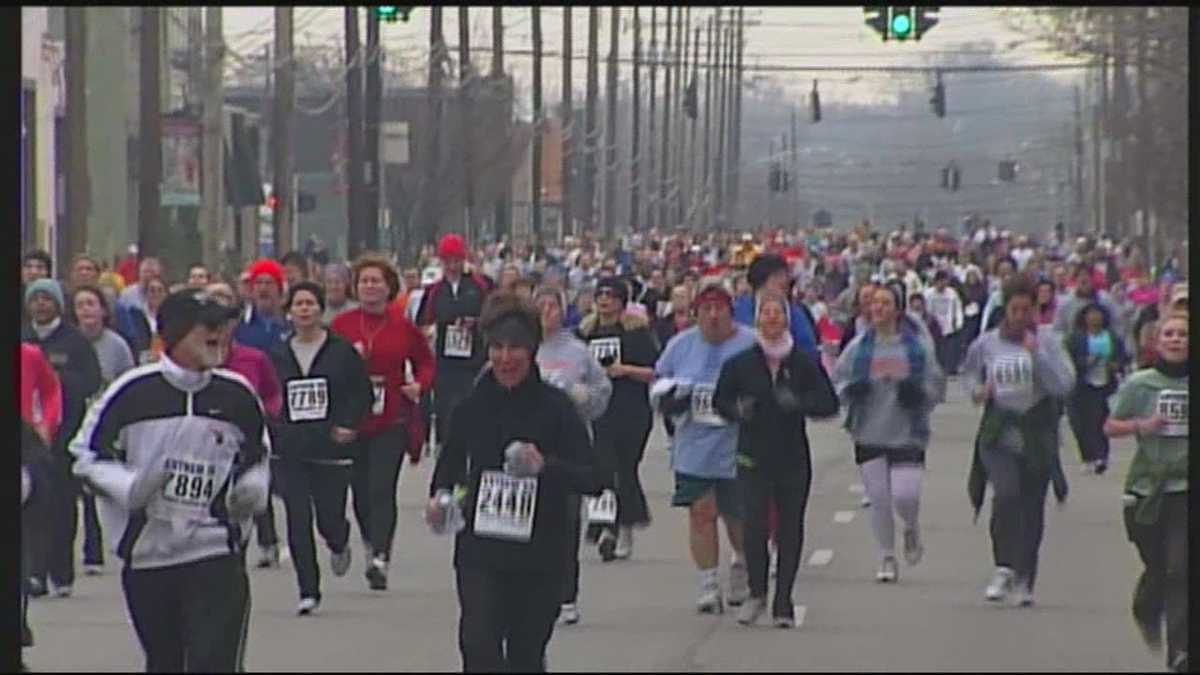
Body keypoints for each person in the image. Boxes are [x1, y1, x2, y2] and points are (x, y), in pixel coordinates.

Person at [69, 288, 271, 672]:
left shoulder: (237, 394)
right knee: (165, 662)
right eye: (208, 326)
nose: (220, 334)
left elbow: (258, 455)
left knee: (214, 662)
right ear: (176, 332)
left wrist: (254, 487)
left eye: (224, 325)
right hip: (149, 555)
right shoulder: (131, 392)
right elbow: (83, 457)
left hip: (215, 552)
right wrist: (131, 488)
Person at [425, 291, 599, 673]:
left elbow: (593, 477)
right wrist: (440, 500)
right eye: (497, 348)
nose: (505, 358)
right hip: (481, 549)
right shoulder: (472, 406)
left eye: (515, 349)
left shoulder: (556, 407)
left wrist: (544, 466)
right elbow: (450, 464)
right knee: (478, 644)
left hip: (541, 552)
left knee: (524, 655)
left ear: (532, 350)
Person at [714, 289, 839, 627]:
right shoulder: (740, 363)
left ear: (786, 319)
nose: (771, 318)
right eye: (765, 313)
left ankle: (783, 600)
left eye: (778, 313)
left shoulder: (802, 362)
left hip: (792, 458)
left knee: (789, 529)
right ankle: (757, 593)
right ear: (756, 320)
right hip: (752, 456)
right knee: (753, 526)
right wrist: (736, 410)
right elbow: (720, 402)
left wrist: (799, 403)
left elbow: (829, 404)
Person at [962, 273, 1075, 607]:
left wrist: (1037, 355)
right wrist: (979, 391)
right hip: (999, 433)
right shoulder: (987, 344)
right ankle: (1003, 567)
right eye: (1016, 310)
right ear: (1005, 310)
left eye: (1029, 311)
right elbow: (969, 374)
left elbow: (1064, 384)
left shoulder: (1049, 341)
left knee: (1032, 507)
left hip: (1037, 432)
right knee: (1006, 494)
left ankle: (1026, 576)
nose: (1022, 317)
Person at [269, 282, 373, 615]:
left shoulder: (341, 351)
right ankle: (308, 589)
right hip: (291, 450)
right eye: (298, 304)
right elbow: (270, 397)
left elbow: (362, 393)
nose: (304, 309)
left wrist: (349, 424)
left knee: (328, 517)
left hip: (331, 448)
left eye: (310, 303)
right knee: (297, 519)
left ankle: (339, 540)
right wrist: (274, 428)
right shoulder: (279, 354)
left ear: (320, 309)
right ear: (289, 311)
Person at [332, 255, 436, 590]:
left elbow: (426, 363)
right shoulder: (343, 326)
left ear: (389, 287)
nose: (370, 287)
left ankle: (381, 556)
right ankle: (369, 540)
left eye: (376, 281)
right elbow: (326, 366)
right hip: (354, 418)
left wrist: (419, 385)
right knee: (359, 490)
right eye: (364, 281)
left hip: (392, 416)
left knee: (381, 487)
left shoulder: (402, 326)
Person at [652, 279, 756, 613]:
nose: (713, 317)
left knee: (738, 515)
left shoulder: (750, 344)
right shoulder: (680, 346)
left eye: (720, 310)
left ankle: (742, 561)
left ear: (731, 313)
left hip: (739, 443)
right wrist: (669, 401)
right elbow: (658, 382)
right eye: (706, 310)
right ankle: (708, 581)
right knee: (701, 512)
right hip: (694, 443)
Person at [832, 286, 945, 583]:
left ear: (898, 310)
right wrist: (851, 391)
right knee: (879, 499)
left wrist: (919, 394)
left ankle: (910, 527)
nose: (877, 308)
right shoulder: (859, 347)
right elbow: (838, 379)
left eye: (885, 303)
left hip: (907, 430)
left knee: (905, 494)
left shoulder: (917, 348)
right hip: (869, 431)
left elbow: (936, 383)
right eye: (874, 303)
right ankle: (886, 556)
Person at [1104, 311, 1189, 673]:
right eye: (1168, 334)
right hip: (1148, 489)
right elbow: (1110, 426)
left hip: (1186, 490)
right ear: (1156, 342)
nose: (1175, 339)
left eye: (1183, 334)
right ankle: (1145, 605)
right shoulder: (1141, 384)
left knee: (1182, 569)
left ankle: (1181, 651)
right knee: (1160, 567)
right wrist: (1144, 425)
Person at [531, 286, 612, 625]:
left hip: (568, 448)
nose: (548, 311)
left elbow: (602, 392)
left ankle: (567, 595)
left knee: (565, 523)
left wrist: (584, 397)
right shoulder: (521, 347)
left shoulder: (578, 352)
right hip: (528, 446)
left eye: (554, 306)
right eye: (542, 305)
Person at [22, 279, 103, 598]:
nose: (41, 305)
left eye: (47, 299)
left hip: (64, 436)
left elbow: (90, 381)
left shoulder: (74, 341)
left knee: (61, 506)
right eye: (35, 299)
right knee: (31, 508)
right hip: (28, 440)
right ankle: (34, 572)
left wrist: (56, 379)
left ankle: (62, 572)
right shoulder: (24, 338)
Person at [575, 277, 659, 562]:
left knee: (625, 469)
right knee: (602, 468)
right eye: (600, 294)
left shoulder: (636, 332)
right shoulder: (586, 332)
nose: (604, 300)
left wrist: (624, 370)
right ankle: (606, 528)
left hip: (632, 409)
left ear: (623, 301)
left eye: (610, 295)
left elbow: (654, 371)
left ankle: (626, 526)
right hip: (599, 410)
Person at [69, 286, 138, 575]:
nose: (86, 310)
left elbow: (129, 383)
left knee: (101, 488)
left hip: (107, 421)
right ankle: (86, 551)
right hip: (74, 419)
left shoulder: (117, 345)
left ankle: (107, 546)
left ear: (103, 311)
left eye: (91, 304)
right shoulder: (70, 342)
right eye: (80, 305)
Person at [416, 234, 494, 455]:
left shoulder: (480, 285)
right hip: (445, 364)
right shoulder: (434, 292)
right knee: (447, 415)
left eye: (456, 260)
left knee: (474, 411)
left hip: (475, 362)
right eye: (447, 260)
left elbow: (493, 316)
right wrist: (432, 331)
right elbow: (422, 324)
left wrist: (475, 324)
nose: (452, 266)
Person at [1064, 302, 1129, 474]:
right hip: (1080, 386)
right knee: (1080, 423)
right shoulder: (1075, 338)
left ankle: (1101, 456)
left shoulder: (1112, 337)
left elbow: (1123, 357)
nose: (1094, 317)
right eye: (1091, 314)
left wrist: (1117, 365)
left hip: (1104, 385)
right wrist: (1084, 362)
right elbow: (1067, 360)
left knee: (1100, 420)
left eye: (1097, 314)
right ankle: (1087, 456)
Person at [733, 254, 820, 365]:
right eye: (778, 276)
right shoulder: (738, 310)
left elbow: (809, 351)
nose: (786, 281)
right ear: (762, 281)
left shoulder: (795, 312)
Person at [923, 270, 964, 375]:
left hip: (949, 325)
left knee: (948, 348)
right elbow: (926, 311)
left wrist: (959, 322)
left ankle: (949, 368)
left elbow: (958, 308)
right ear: (936, 282)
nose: (943, 284)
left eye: (945, 281)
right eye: (941, 281)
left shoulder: (952, 293)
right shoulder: (928, 294)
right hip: (934, 326)